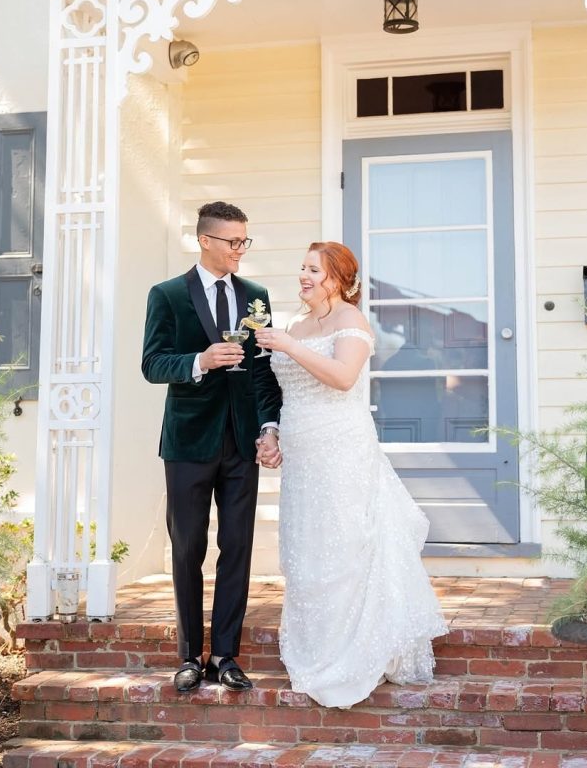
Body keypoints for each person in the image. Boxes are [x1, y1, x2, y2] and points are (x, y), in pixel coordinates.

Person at [254, 241, 447, 708]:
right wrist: (272, 431)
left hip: (341, 450)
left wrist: (289, 345)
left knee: (343, 546)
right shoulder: (297, 324)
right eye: (302, 267)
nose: (304, 276)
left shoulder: (351, 321)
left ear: (338, 279)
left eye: (314, 270)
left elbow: (343, 377)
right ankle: (317, 647)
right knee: (307, 549)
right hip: (302, 455)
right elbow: (285, 390)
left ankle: (354, 651)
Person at [141, 201, 282, 694]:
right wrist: (200, 360)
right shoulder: (167, 295)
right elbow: (153, 364)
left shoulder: (256, 295)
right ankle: (188, 655)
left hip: (241, 442)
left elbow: (263, 371)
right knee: (187, 547)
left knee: (237, 546)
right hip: (187, 441)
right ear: (205, 240)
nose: (240, 249)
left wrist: (268, 426)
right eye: (232, 241)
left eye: (245, 240)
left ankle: (225, 655)